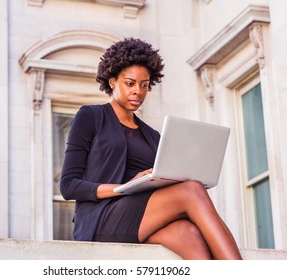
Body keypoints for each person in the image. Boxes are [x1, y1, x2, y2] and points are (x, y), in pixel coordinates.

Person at [60, 37, 242, 260]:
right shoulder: (90, 117)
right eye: (130, 83)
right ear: (112, 81)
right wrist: (124, 187)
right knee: (192, 190)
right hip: (102, 219)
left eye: (144, 85)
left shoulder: (152, 136)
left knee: (189, 233)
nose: (138, 91)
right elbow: (69, 185)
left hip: (142, 216)